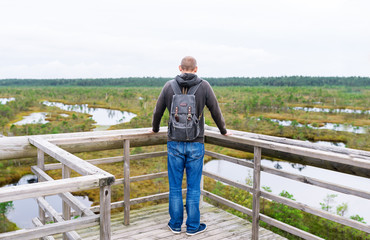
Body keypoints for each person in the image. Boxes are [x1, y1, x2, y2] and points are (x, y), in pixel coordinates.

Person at [151, 56, 231, 236]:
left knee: (175, 187)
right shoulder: (204, 86)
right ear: (195, 69)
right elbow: (215, 110)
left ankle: (176, 225)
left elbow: (158, 111)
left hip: (174, 143)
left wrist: (155, 129)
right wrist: (223, 131)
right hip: (196, 143)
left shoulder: (168, 86)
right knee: (194, 187)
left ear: (180, 67)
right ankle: (193, 227)